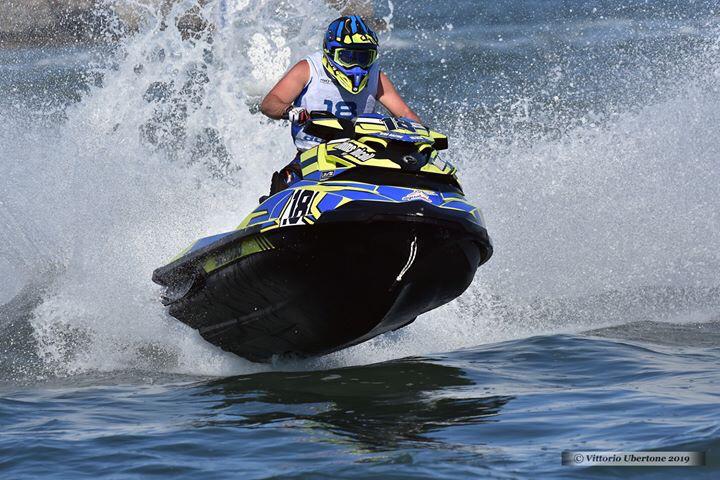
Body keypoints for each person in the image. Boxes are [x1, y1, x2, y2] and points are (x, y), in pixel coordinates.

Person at [260, 15, 420, 194]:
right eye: (347, 56)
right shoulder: (308, 69)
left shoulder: (376, 76)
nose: (357, 66)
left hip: (362, 157)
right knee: (283, 183)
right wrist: (289, 111)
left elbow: (405, 113)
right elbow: (269, 103)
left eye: (364, 57)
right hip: (312, 157)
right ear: (330, 52)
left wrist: (421, 139)